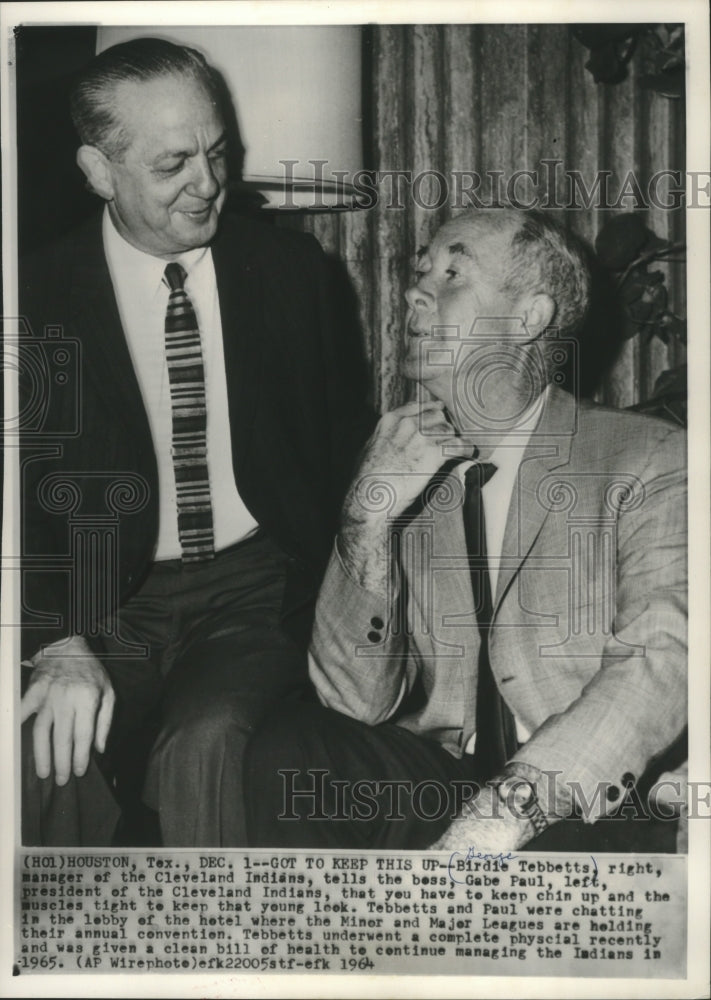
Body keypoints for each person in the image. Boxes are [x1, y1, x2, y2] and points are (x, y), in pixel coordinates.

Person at [244, 207, 687, 853]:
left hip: (580, 797)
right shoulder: (400, 468)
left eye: (454, 272)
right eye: (420, 270)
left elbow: (660, 657)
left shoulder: (647, 456)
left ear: (529, 317)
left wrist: (508, 810)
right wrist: (365, 520)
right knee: (296, 748)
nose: (414, 290)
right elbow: (352, 705)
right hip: (446, 781)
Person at [19, 37, 368, 847]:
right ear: (100, 171)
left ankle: (211, 959)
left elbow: (343, 448)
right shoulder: (32, 296)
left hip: (251, 592)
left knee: (206, 743)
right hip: (100, 599)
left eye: (216, 152)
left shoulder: (291, 274)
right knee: (42, 748)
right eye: (173, 164)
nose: (208, 184)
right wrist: (56, 640)